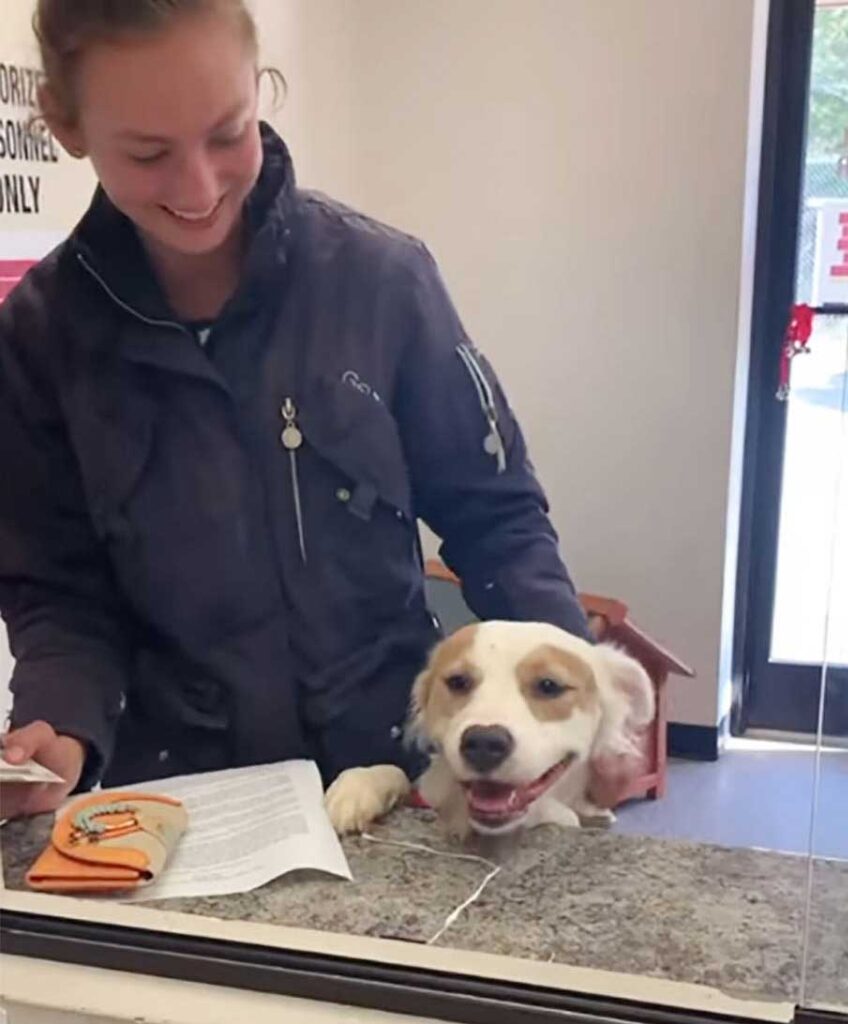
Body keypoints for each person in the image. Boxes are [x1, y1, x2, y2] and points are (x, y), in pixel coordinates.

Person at [0, 0, 592, 822]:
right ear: (67, 127)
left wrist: (577, 711)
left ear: (259, 90)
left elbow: (499, 520)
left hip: (405, 774)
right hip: (183, 803)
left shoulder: (384, 281)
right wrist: (57, 728)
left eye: (226, 132)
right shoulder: (38, 337)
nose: (199, 187)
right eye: (147, 154)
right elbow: (57, 594)